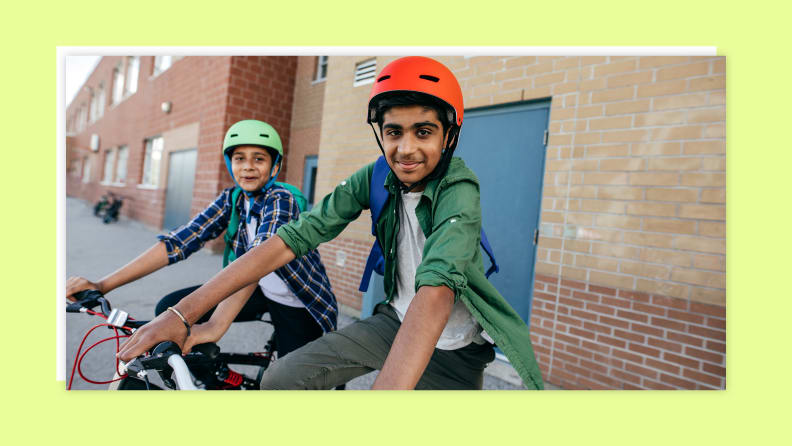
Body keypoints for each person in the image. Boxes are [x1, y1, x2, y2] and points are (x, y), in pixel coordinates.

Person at [118, 56, 544, 390]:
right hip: (394, 322)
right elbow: (291, 239)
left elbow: (434, 291)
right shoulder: (376, 175)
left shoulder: (459, 187)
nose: (406, 148)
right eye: (394, 132)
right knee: (279, 380)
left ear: (449, 135)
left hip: (456, 350)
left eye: (424, 131)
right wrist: (180, 312)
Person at [68, 119, 337, 358]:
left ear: (275, 165)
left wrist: (215, 325)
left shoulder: (283, 199)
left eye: (259, 159)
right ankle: (211, 374)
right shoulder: (233, 198)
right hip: (258, 288)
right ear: (231, 164)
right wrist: (103, 284)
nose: (248, 167)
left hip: (297, 299)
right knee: (169, 312)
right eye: (240, 158)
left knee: (287, 382)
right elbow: (180, 241)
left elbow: (259, 259)